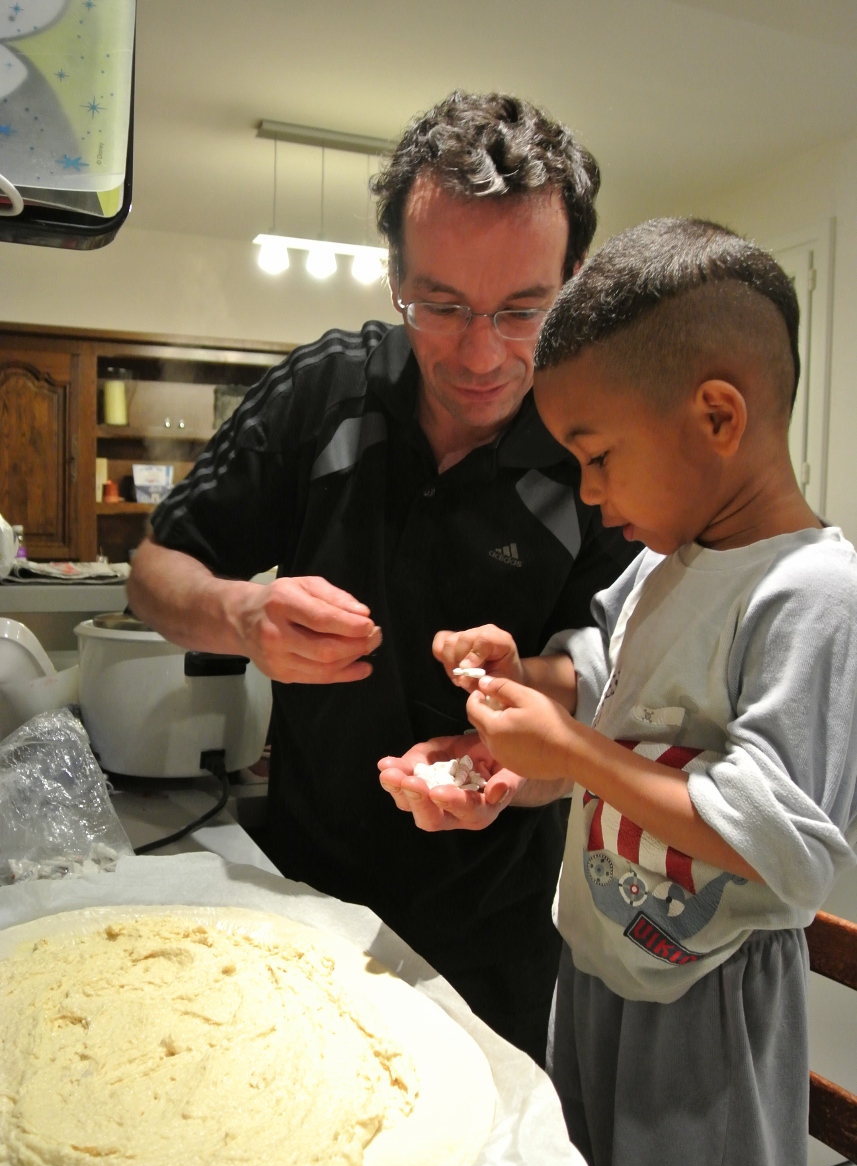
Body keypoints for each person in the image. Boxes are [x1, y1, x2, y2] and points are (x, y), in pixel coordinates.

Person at [383, 218, 857, 1166]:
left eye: (598, 457)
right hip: (599, 965)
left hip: (705, 1000)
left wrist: (569, 750)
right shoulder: (659, 565)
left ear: (717, 416)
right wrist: (516, 692)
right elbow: (598, 689)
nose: (590, 492)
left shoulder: (812, 594)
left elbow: (778, 844)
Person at [126, 92, 639, 1064]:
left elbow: (615, 689)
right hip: (301, 896)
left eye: (522, 310)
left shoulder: (601, 442)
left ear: (571, 285)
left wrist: (516, 758)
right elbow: (154, 570)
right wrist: (241, 612)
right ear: (393, 276)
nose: (480, 354)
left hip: (499, 927)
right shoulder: (324, 391)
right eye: (440, 306)